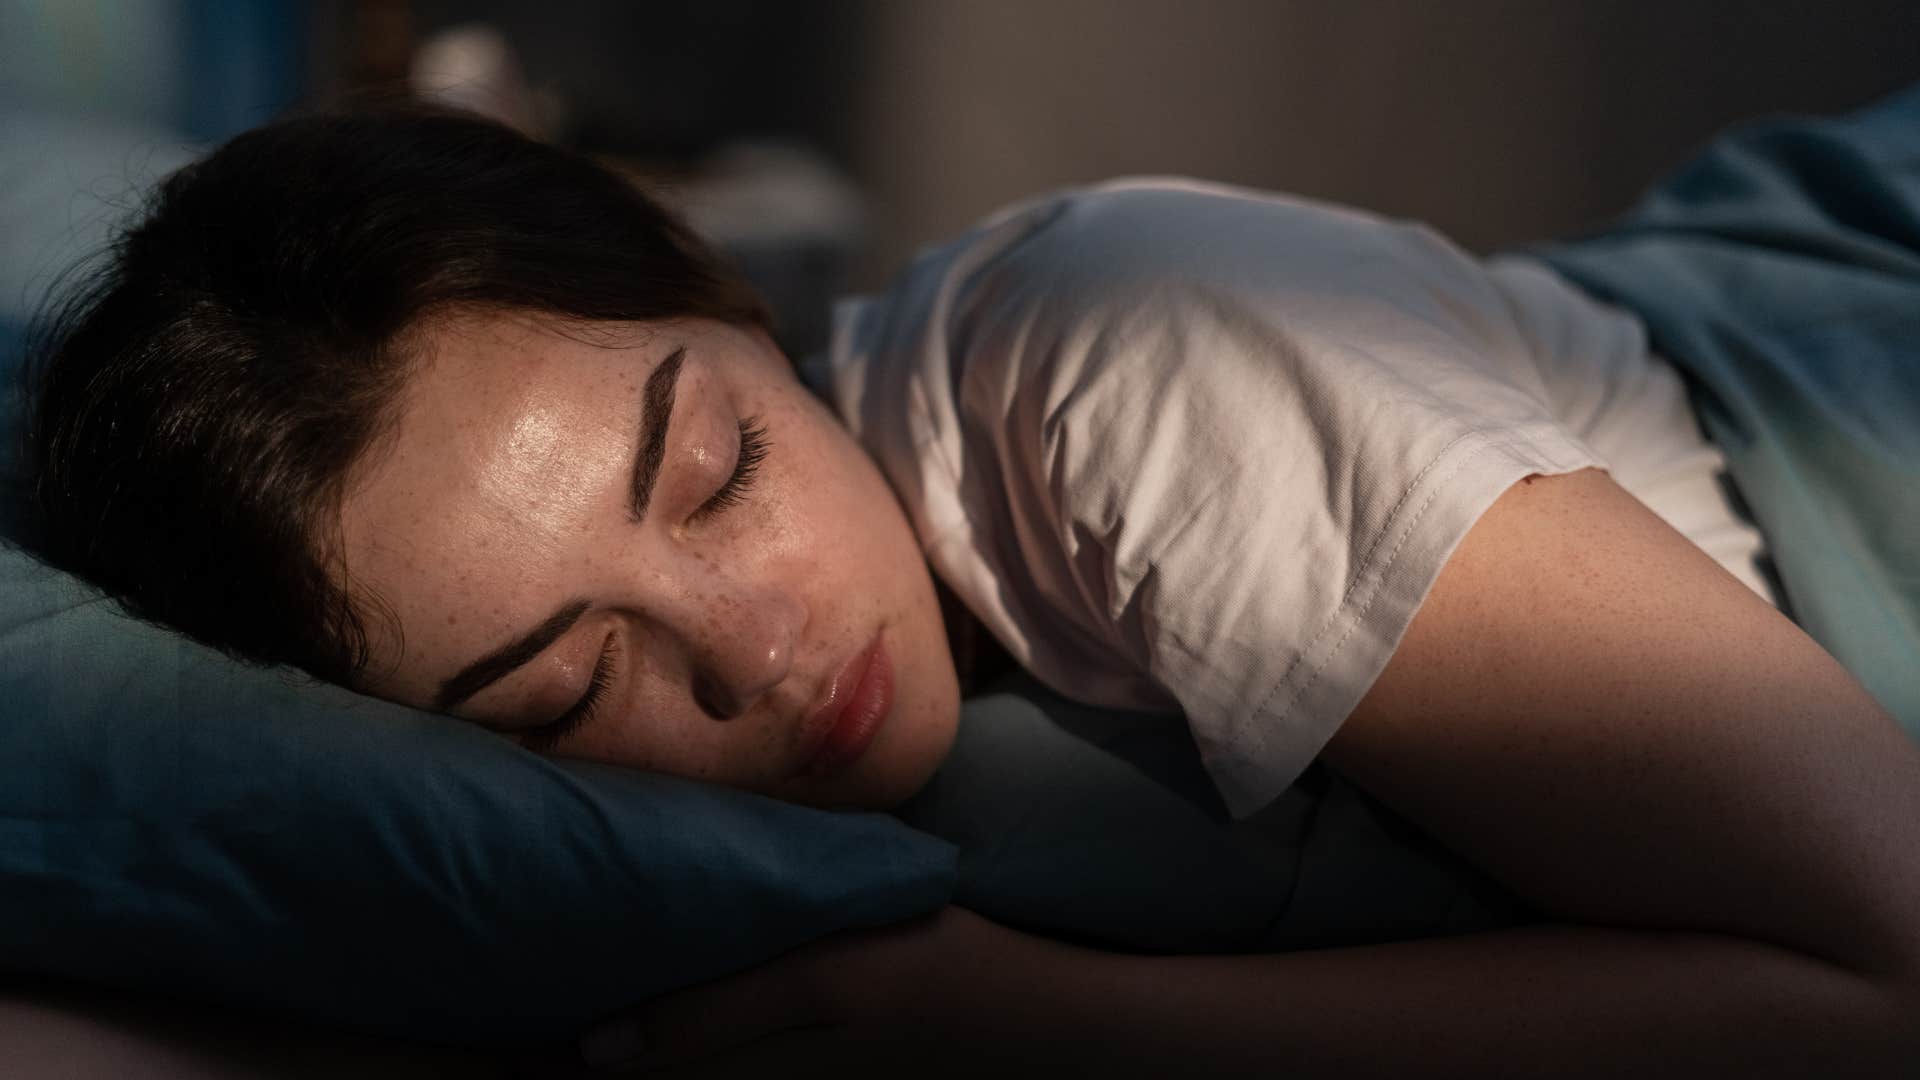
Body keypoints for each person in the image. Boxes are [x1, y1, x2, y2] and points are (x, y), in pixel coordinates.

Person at [21, 104, 1920, 1076]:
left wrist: (1046, 1026)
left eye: (718, 471)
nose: (758, 652)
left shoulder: (1141, 366)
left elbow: (1889, 983)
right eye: (573, 692)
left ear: (727, 297)